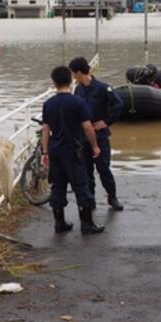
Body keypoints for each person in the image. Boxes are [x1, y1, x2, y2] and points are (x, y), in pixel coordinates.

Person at [41, 66, 104, 235]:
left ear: (54, 83)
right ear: (70, 80)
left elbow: (46, 129)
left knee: (58, 186)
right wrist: (95, 146)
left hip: (55, 150)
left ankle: (59, 223)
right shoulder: (78, 102)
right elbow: (87, 127)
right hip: (73, 150)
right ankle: (86, 223)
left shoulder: (48, 104)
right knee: (81, 185)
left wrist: (45, 152)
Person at [69, 56, 125, 211]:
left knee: (103, 169)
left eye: (74, 73)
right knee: (87, 171)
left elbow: (118, 105)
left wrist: (107, 122)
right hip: (83, 137)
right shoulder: (78, 89)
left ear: (79, 72)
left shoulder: (102, 88)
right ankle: (90, 198)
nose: (73, 77)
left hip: (100, 136)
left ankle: (112, 197)